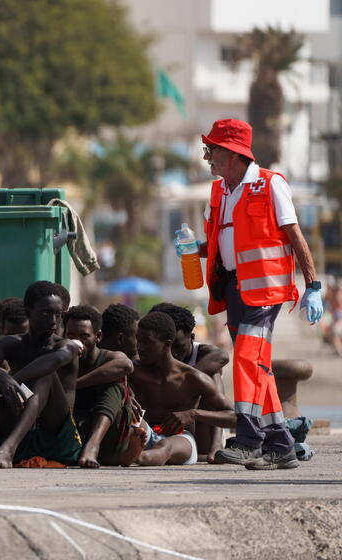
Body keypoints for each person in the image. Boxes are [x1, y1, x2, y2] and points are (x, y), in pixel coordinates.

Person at [192, 118, 323, 470]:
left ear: (233, 153)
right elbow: (220, 243)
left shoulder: (270, 184)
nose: (208, 157)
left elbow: (295, 236)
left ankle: (249, 440)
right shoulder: (219, 191)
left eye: (213, 149)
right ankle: (280, 445)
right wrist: (194, 248)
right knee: (259, 369)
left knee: (248, 360)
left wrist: (312, 285)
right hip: (232, 289)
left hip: (266, 290)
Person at [0, 281, 83, 468]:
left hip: (58, 439)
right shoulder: (13, 343)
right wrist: (1, 377)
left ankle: (7, 450)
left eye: (59, 315)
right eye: (46, 313)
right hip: (21, 433)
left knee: (45, 374)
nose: (54, 322)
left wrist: (11, 380)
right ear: (29, 311)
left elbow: (54, 361)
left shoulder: (66, 346)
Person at [130, 312, 235, 467]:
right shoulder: (133, 369)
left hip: (181, 439)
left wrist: (194, 414)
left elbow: (237, 418)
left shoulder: (192, 377)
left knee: (166, 446)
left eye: (147, 342)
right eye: (138, 341)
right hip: (143, 431)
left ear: (167, 344)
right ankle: (131, 453)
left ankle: (136, 458)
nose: (140, 348)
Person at [62, 305, 138, 468]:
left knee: (115, 381)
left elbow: (126, 365)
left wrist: (74, 385)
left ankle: (92, 447)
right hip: (72, 432)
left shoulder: (109, 357)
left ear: (98, 336)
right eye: (71, 335)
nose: (77, 341)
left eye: (84, 336)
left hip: (105, 438)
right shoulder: (59, 357)